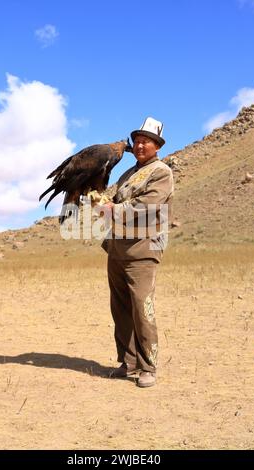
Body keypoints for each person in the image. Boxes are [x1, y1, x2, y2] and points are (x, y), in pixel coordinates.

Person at [101, 117, 174, 388]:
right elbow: (119, 200)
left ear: (157, 146)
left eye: (147, 141)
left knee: (143, 308)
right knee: (120, 308)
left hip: (143, 250)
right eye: (138, 140)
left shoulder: (161, 172)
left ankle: (148, 367)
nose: (140, 145)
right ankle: (128, 361)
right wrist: (105, 202)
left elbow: (149, 205)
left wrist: (114, 210)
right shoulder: (128, 173)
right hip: (118, 248)